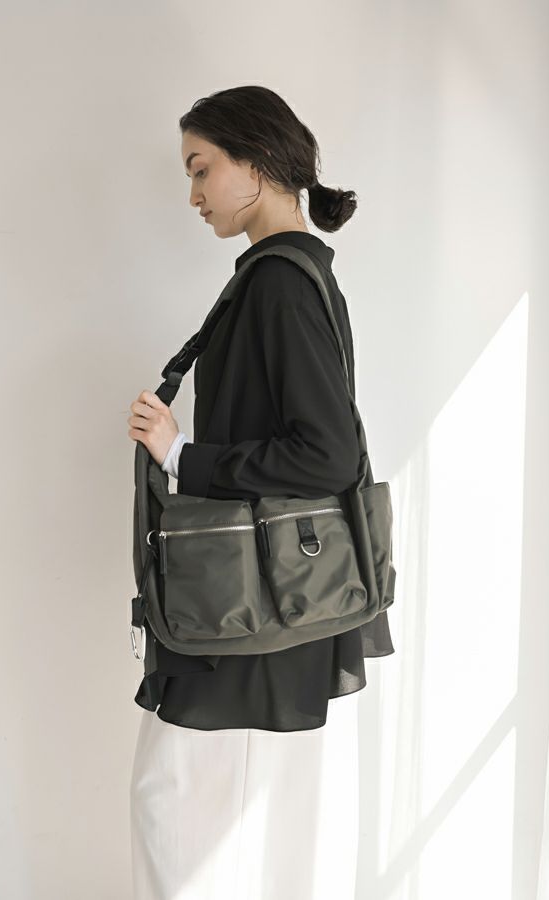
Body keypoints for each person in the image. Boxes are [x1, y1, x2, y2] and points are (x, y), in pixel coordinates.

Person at [127, 85, 395, 900]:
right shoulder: (281, 277)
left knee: (178, 806)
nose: (194, 193)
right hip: (271, 592)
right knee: (241, 816)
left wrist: (185, 458)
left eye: (201, 168)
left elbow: (326, 453)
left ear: (258, 162)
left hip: (251, 601)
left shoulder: (278, 283)